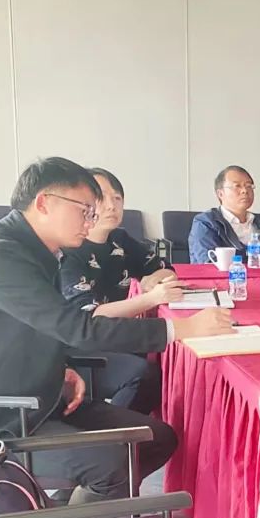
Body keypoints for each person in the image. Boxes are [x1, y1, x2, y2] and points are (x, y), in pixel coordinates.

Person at [0, 157, 234, 508]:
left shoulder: (39, 249)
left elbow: (37, 325)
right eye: (84, 210)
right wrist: (180, 328)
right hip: (3, 417)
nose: (91, 220)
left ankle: (64, 512)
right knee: (113, 467)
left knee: (157, 438)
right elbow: (78, 326)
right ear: (44, 203)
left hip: (45, 396)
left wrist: (61, 366)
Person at [59, 167, 181, 413]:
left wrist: (153, 279)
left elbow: (167, 269)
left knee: (170, 356)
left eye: (117, 198)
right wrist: (151, 298)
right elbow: (90, 315)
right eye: (101, 197)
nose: (111, 206)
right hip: (79, 343)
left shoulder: (120, 239)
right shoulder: (68, 249)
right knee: (145, 374)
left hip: (113, 334)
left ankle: (136, 429)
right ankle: (111, 432)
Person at [189, 165, 260, 264]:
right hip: (226, 274)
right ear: (220, 194)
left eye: (248, 186)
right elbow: (209, 264)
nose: (245, 191)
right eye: (237, 186)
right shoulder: (206, 223)